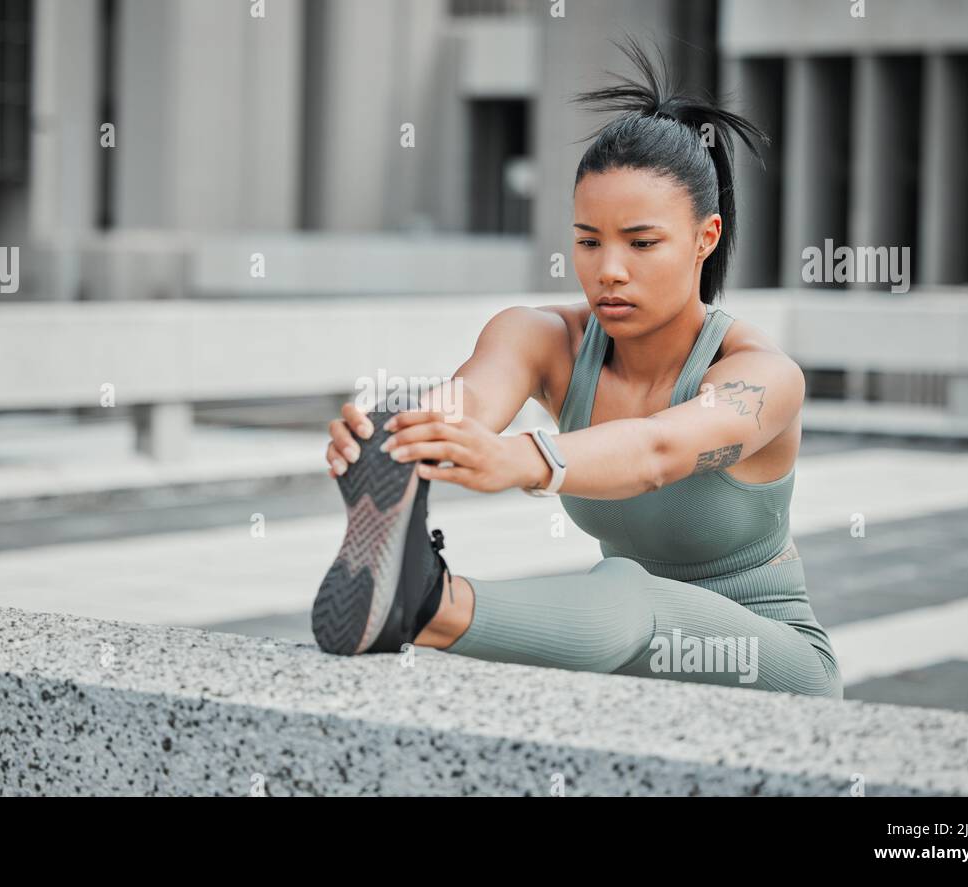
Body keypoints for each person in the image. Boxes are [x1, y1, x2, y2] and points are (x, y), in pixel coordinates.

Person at [310, 37, 842, 698]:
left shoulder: (761, 376)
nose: (608, 270)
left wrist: (527, 460)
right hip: (638, 663)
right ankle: (411, 589)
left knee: (625, 587)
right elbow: (469, 401)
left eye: (642, 243)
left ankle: (427, 605)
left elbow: (658, 451)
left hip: (771, 662)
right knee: (621, 593)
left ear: (706, 237)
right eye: (588, 241)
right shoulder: (542, 338)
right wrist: (401, 437)